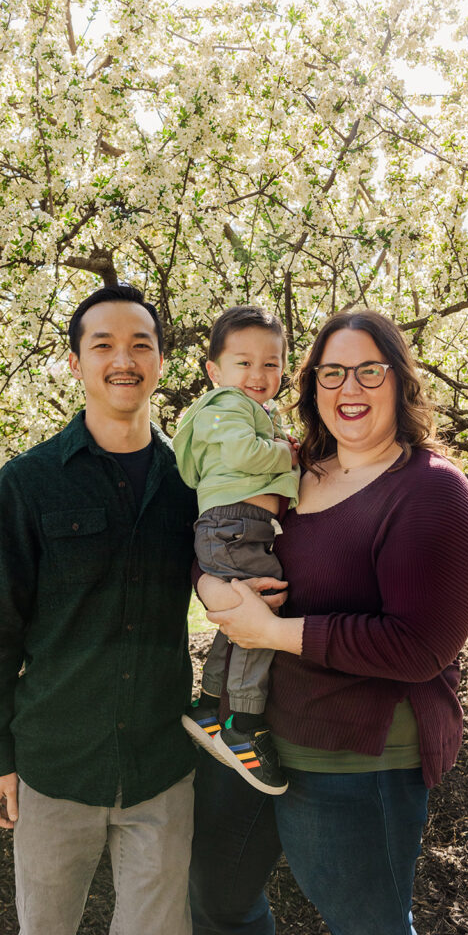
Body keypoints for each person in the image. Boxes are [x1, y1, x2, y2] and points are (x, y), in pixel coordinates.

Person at [189, 308, 468, 935]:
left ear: (398, 381)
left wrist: (275, 634)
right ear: (311, 385)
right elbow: (224, 532)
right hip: (253, 738)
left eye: (366, 369)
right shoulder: (294, 469)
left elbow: (418, 647)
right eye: (330, 371)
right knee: (217, 903)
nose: (347, 385)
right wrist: (206, 581)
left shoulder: (430, 492)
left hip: (356, 759)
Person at [0, 284, 198, 935]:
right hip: (54, 766)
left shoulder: (194, 482)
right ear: (74, 363)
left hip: (161, 767)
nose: (123, 360)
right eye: (103, 345)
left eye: (140, 345)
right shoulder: (28, 484)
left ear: (160, 361)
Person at [173, 306, 300, 794]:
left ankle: (209, 704)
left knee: (242, 616)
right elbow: (247, 454)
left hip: (237, 526)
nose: (258, 374)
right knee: (259, 619)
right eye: (243, 362)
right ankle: (242, 726)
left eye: (271, 363)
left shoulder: (242, 410)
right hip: (236, 525)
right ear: (215, 371)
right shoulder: (227, 405)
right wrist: (287, 453)